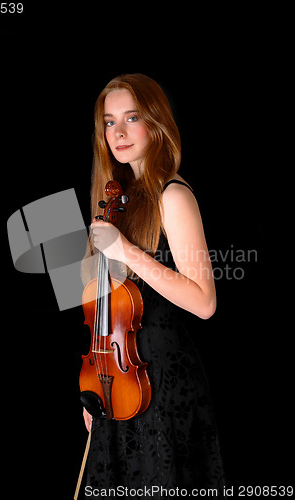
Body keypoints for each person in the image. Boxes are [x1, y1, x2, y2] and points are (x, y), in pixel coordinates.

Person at [82, 73, 225, 497]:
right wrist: (95, 381)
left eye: (132, 117)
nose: (119, 132)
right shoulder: (116, 199)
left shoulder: (173, 196)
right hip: (117, 383)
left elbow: (204, 302)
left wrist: (126, 251)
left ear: (157, 123)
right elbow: (104, 309)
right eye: (109, 122)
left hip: (163, 385)